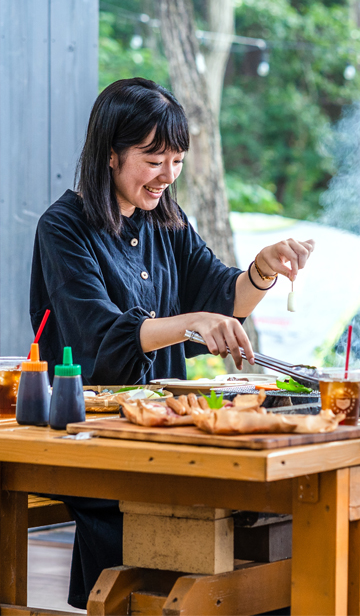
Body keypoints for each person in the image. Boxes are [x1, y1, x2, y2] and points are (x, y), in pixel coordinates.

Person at [30, 77, 315, 608]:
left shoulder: (168, 221)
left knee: (269, 522)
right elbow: (99, 337)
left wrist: (262, 269)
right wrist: (190, 322)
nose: (168, 175)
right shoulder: (63, 227)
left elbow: (225, 298)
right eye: (153, 158)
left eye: (177, 160)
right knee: (194, 521)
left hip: (164, 433)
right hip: (94, 439)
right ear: (110, 155)